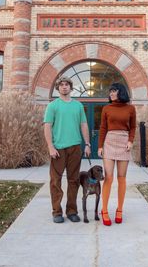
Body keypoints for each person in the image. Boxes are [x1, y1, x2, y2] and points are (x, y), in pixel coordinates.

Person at [44, 76, 91, 223]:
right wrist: (50, 146)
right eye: (61, 85)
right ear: (58, 88)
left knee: (74, 180)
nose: (64, 87)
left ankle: (72, 211)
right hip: (58, 149)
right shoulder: (53, 106)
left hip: (75, 147)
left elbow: (84, 125)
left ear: (71, 88)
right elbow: (47, 126)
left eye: (67, 85)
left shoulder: (78, 106)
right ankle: (57, 212)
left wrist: (88, 144)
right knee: (55, 181)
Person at [98, 82, 136, 226]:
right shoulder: (106, 108)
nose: (111, 93)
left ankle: (119, 210)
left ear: (121, 92)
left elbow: (132, 127)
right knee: (108, 177)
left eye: (114, 91)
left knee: (122, 178)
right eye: (110, 91)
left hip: (124, 142)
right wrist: (100, 146)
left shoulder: (130, 108)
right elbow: (102, 128)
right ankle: (104, 210)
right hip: (109, 142)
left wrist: (130, 141)